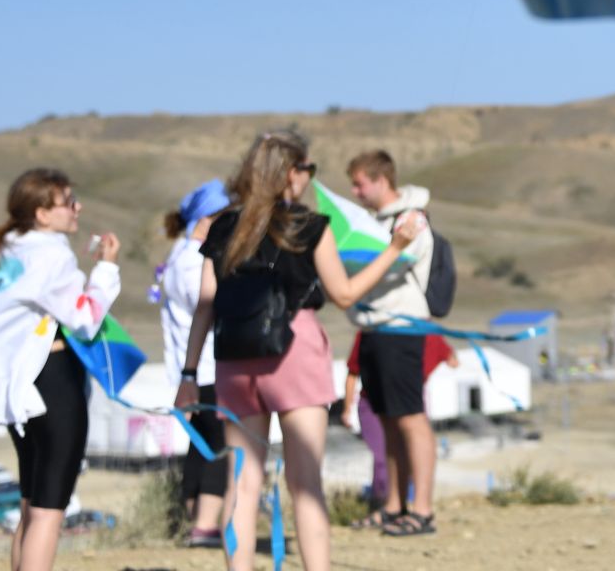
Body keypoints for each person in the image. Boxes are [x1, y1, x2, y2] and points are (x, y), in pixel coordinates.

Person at [178, 131, 422, 571]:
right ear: (291, 174)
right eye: (307, 170)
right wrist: (395, 248)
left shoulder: (222, 229)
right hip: (294, 354)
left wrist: (188, 374)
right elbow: (344, 294)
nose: (309, 178)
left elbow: (206, 305)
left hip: (233, 360)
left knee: (242, 483)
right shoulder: (307, 226)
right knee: (305, 484)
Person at [0, 169, 121, 571]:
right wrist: (106, 270)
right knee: (49, 511)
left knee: (30, 506)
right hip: (54, 379)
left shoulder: (8, 251)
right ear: (42, 213)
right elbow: (85, 319)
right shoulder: (51, 254)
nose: (78, 208)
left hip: (20, 385)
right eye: (68, 202)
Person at [345, 150, 442, 536]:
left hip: (401, 329)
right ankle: (393, 504)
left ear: (382, 180)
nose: (355, 191)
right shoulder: (369, 222)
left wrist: (360, 266)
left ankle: (423, 509)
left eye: (360, 183)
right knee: (386, 419)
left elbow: (395, 264)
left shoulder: (411, 220)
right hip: (372, 330)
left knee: (410, 417)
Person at [154, 179, 231, 548]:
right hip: (206, 365)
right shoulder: (193, 259)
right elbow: (207, 305)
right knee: (221, 444)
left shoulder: (179, 254)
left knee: (200, 444)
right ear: (208, 218)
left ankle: (191, 517)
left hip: (193, 367)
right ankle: (204, 525)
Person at [343, 331, 457, 524]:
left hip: (407, 396)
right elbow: (353, 370)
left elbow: (451, 358)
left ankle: (409, 507)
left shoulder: (427, 333)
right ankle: (391, 504)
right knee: (386, 455)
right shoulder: (370, 331)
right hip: (381, 398)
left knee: (405, 452)